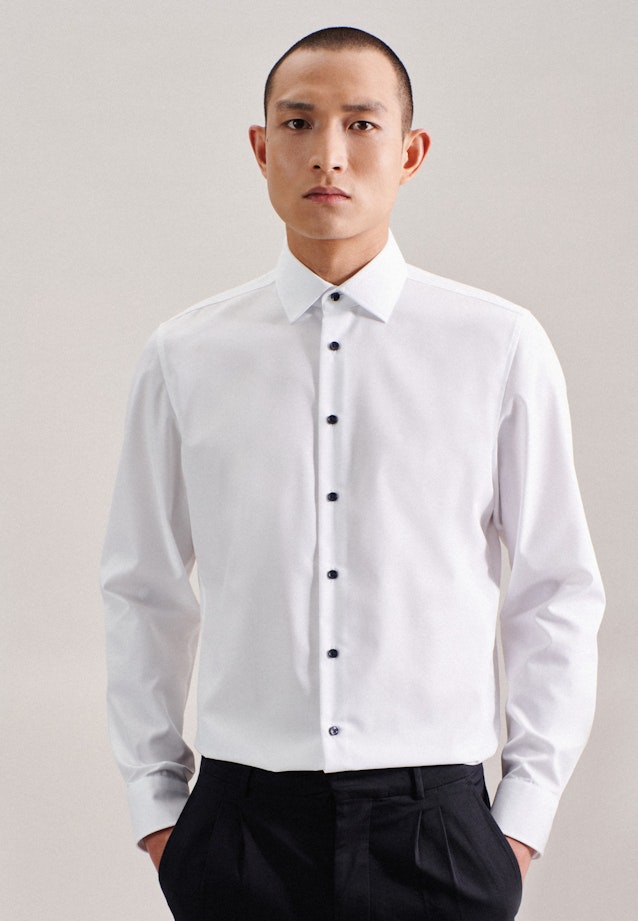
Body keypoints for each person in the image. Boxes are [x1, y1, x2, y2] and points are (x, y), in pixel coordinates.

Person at [101, 26, 605, 921]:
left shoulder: (497, 346)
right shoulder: (187, 355)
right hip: (240, 828)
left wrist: (521, 821)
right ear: (261, 148)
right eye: (298, 122)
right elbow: (142, 587)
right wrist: (159, 809)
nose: (328, 153)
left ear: (410, 152)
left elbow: (555, 588)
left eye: (362, 124)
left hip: (437, 828)